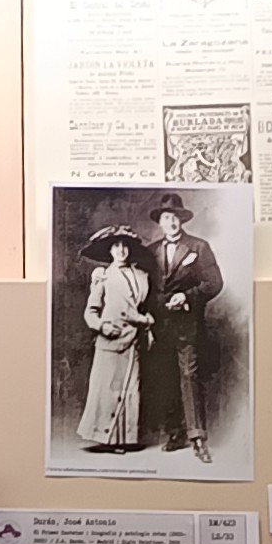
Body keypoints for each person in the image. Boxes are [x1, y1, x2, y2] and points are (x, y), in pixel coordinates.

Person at [143, 195, 223, 459]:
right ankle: (175, 433)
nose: (172, 222)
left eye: (176, 217)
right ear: (160, 222)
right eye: (167, 217)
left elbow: (214, 283)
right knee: (165, 378)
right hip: (160, 327)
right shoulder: (150, 251)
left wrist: (187, 296)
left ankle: (197, 438)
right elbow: (145, 289)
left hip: (187, 326)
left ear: (182, 220)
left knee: (189, 376)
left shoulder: (198, 247)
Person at [76, 231, 151, 450]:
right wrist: (102, 326)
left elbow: (146, 307)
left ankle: (125, 440)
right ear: (109, 251)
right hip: (110, 341)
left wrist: (148, 327)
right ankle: (105, 439)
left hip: (134, 341)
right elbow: (90, 312)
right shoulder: (103, 276)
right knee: (107, 391)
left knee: (130, 390)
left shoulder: (143, 276)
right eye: (116, 246)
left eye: (125, 245)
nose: (121, 250)